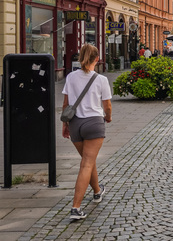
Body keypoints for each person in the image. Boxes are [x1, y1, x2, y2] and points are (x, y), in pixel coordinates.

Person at [62, 44, 112, 220]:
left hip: (75, 123)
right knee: (86, 164)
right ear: (96, 59)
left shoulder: (70, 77)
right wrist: (108, 117)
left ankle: (97, 191)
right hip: (94, 123)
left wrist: (65, 124)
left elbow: (66, 103)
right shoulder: (101, 80)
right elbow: (107, 105)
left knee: (87, 161)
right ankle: (76, 208)